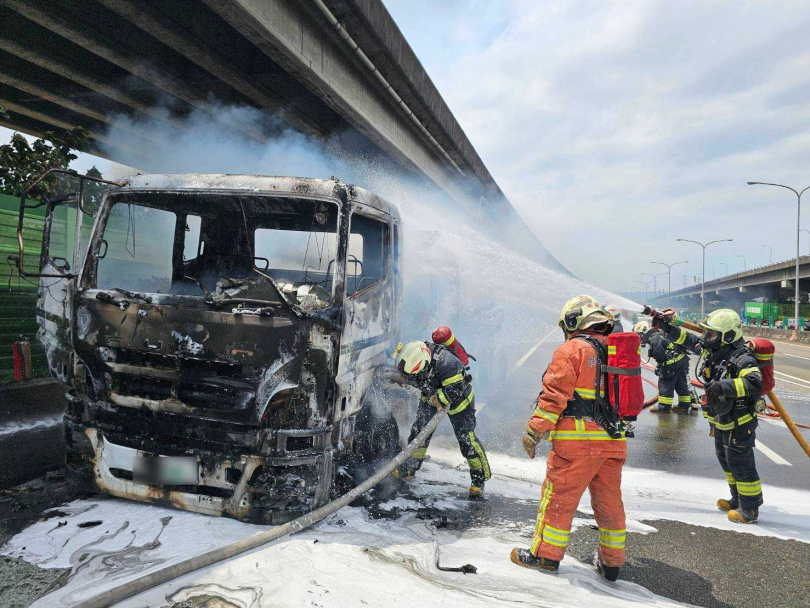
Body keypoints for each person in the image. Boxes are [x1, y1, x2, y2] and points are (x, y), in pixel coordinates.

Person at [511, 295, 627, 581]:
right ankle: (612, 565)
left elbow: (554, 396)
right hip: (614, 442)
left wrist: (534, 431)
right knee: (610, 502)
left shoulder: (572, 350)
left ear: (574, 321)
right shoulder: (616, 349)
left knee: (559, 499)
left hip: (577, 444)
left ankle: (545, 557)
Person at [656, 309, 764, 523]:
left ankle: (750, 509)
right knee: (726, 461)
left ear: (728, 336)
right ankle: (737, 499)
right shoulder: (715, 350)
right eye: (707, 333)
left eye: (711, 334)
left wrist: (724, 386)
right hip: (721, 419)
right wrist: (667, 328)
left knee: (741, 464)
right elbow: (690, 341)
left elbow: (754, 381)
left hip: (739, 422)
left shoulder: (741, 357)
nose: (706, 338)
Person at [394, 340, 491, 499]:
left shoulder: (448, 363)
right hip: (432, 395)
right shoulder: (416, 355)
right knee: (419, 433)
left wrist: (437, 398)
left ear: (424, 364)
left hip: (459, 402)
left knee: (466, 440)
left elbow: (455, 390)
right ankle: (410, 467)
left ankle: (479, 479)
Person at [635, 321, 696, 413]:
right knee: (681, 384)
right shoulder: (662, 334)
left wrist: (660, 367)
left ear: (645, 331)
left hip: (671, 365)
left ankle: (664, 407)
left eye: (640, 335)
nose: (640, 338)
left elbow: (659, 355)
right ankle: (684, 406)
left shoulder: (655, 338)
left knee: (665, 384)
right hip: (681, 362)